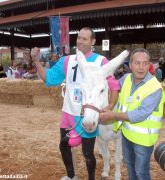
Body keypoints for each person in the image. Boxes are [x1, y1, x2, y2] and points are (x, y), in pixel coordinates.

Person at [30, 27, 120, 180]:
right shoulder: (67, 60)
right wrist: (37, 62)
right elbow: (50, 79)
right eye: (78, 38)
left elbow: (114, 87)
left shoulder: (100, 61)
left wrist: (110, 108)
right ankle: (71, 176)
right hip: (68, 113)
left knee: (87, 153)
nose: (80, 41)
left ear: (93, 42)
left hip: (88, 115)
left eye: (84, 39)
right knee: (64, 146)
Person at [99, 48, 165, 180]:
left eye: (145, 63)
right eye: (137, 63)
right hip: (127, 135)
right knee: (130, 166)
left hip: (143, 140)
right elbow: (111, 86)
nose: (141, 67)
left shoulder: (154, 88)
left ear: (150, 65)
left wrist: (113, 115)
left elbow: (140, 114)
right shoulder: (125, 79)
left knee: (141, 172)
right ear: (130, 65)